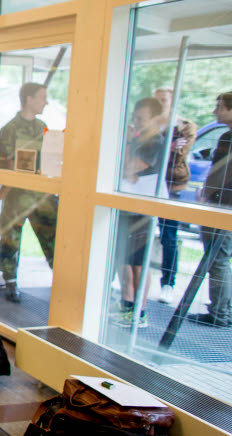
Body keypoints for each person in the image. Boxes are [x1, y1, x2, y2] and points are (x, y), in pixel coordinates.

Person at [0, 82, 58, 303]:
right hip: (17, 197)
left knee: (53, 239)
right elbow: (8, 164)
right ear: (29, 99)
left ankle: (61, 284)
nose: (45, 102)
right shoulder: (9, 129)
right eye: (42, 97)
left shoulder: (43, 127)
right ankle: (10, 282)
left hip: (42, 196)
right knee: (10, 239)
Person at [111, 98, 165, 328]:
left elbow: (129, 167)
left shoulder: (154, 142)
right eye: (134, 116)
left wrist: (127, 169)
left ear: (155, 118)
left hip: (142, 211)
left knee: (139, 264)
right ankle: (127, 305)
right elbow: (119, 167)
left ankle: (139, 311)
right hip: (127, 209)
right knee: (125, 260)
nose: (136, 121)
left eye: (140, 118)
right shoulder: (137, 140)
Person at [187, 92, 232, 328]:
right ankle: (223, 310)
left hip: (222, 206)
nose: (215, 112)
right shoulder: (226, 137)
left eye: (220, 107)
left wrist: (207, 194)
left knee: (218, 258)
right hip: (222, 204)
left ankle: (220, 313)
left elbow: (221, 174)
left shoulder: (228, 138)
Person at [153, 87, 197, 304]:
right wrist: (165, 147)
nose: (161, 104)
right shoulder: (150, 125)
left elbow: (178, 155)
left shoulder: (185, 127)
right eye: (157, 100)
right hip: (148, 184)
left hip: (172, 187)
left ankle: (168, 284)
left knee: (169, 237)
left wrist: (164, 149)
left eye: (164, 100)